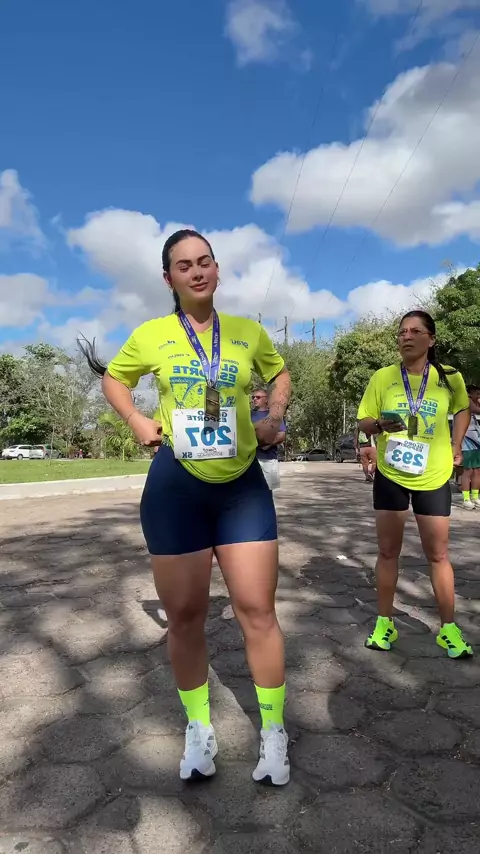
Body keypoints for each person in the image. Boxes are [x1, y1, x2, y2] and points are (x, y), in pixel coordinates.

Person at [79, 229, 292, 785]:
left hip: (242, 488)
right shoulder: (151, 334)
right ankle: (199, 730)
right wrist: (135, 419)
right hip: (176, 488)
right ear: (168, 278)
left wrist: (273, 418)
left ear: (217, 270)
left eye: (205, 262)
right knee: (186, 617)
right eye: (184, 265)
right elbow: (115, 380)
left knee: (258, 612)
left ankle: (274, 732)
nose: (196, 272)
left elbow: (280, 373)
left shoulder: (247, 333)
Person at [357, 310, 473, 659]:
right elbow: (364, 420)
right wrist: (378, 425)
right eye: (402, 332)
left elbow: (463, 409)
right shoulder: (383, 376)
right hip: (391, 474)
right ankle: (385, 622)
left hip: (433, 475)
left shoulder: (449, 377)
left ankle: (448, 628)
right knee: (387, 552)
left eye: (415, 331)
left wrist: (456, 444)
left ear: (431, 339)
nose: (406, 336)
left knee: (438, 554)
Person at [251, 387, 286, 490]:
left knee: (268, 490)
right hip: (251, 461)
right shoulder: (248, 415)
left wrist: (268, 444)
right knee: (252, 491)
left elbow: (282, 435)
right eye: (253, 397)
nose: (254, 399)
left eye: (258, 397)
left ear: (266, 399)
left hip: (269, 459)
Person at [460, 384, 480, 510]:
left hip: (476, 440)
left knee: (477, 470)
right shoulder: (466, 400)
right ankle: (466, 499)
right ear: (469, 393)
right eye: (476, 394)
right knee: (468, 471)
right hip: (466, 441)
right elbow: (477, 410)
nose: (478, 396)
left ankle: (475, 496)